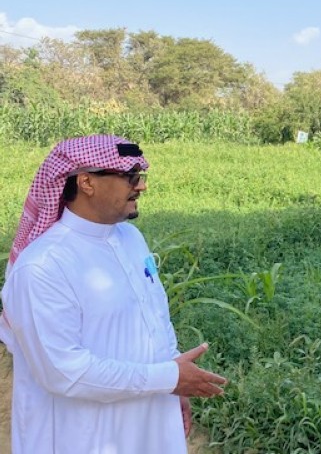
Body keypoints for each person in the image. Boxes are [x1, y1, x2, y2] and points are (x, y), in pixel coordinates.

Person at [0, 135, 227, 453]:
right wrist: (168, 378)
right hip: (82, 435)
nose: (141, 187)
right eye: (130, 177)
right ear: (86, 182)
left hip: (150, 416)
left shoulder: (131, 238)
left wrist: (174, 390)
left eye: (141, 177)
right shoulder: (43, 266)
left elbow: (156, 317)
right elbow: (64, 372)